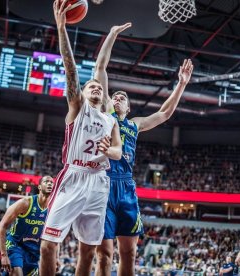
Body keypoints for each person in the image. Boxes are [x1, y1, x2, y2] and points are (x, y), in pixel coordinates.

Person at [93, 23, 194, 276]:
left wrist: (181, 84)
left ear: (128, 106)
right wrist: (112, 34)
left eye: (122, 97)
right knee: (104, 254)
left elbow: (164, 113)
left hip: (126, 186)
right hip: (103, 183)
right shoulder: (106, 114)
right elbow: (100, 68)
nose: (117, 98)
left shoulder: (135, 124)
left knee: (129, 253)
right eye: (114, 96)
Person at [40, 1, 122, 275]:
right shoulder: (77, 107)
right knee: (48, 245)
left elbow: (118, 153)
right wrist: (62, 30)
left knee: (89, 251)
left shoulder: (111, 119)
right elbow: (71, 70)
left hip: (99, 182)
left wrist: (108, 150)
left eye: (99, 86)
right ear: (83, 94)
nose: (96, 87)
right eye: (92, 86)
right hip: (73, 176)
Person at [0, 175, 54, 276]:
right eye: (46, 182)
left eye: (51, 182)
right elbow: (2, 226)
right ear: (39, 187)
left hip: (34, 251)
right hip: (16, 245)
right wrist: (4, 254)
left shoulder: (53, 209)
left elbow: (53, 236)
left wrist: (55, 257)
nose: (50, 184)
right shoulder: (26, 203)